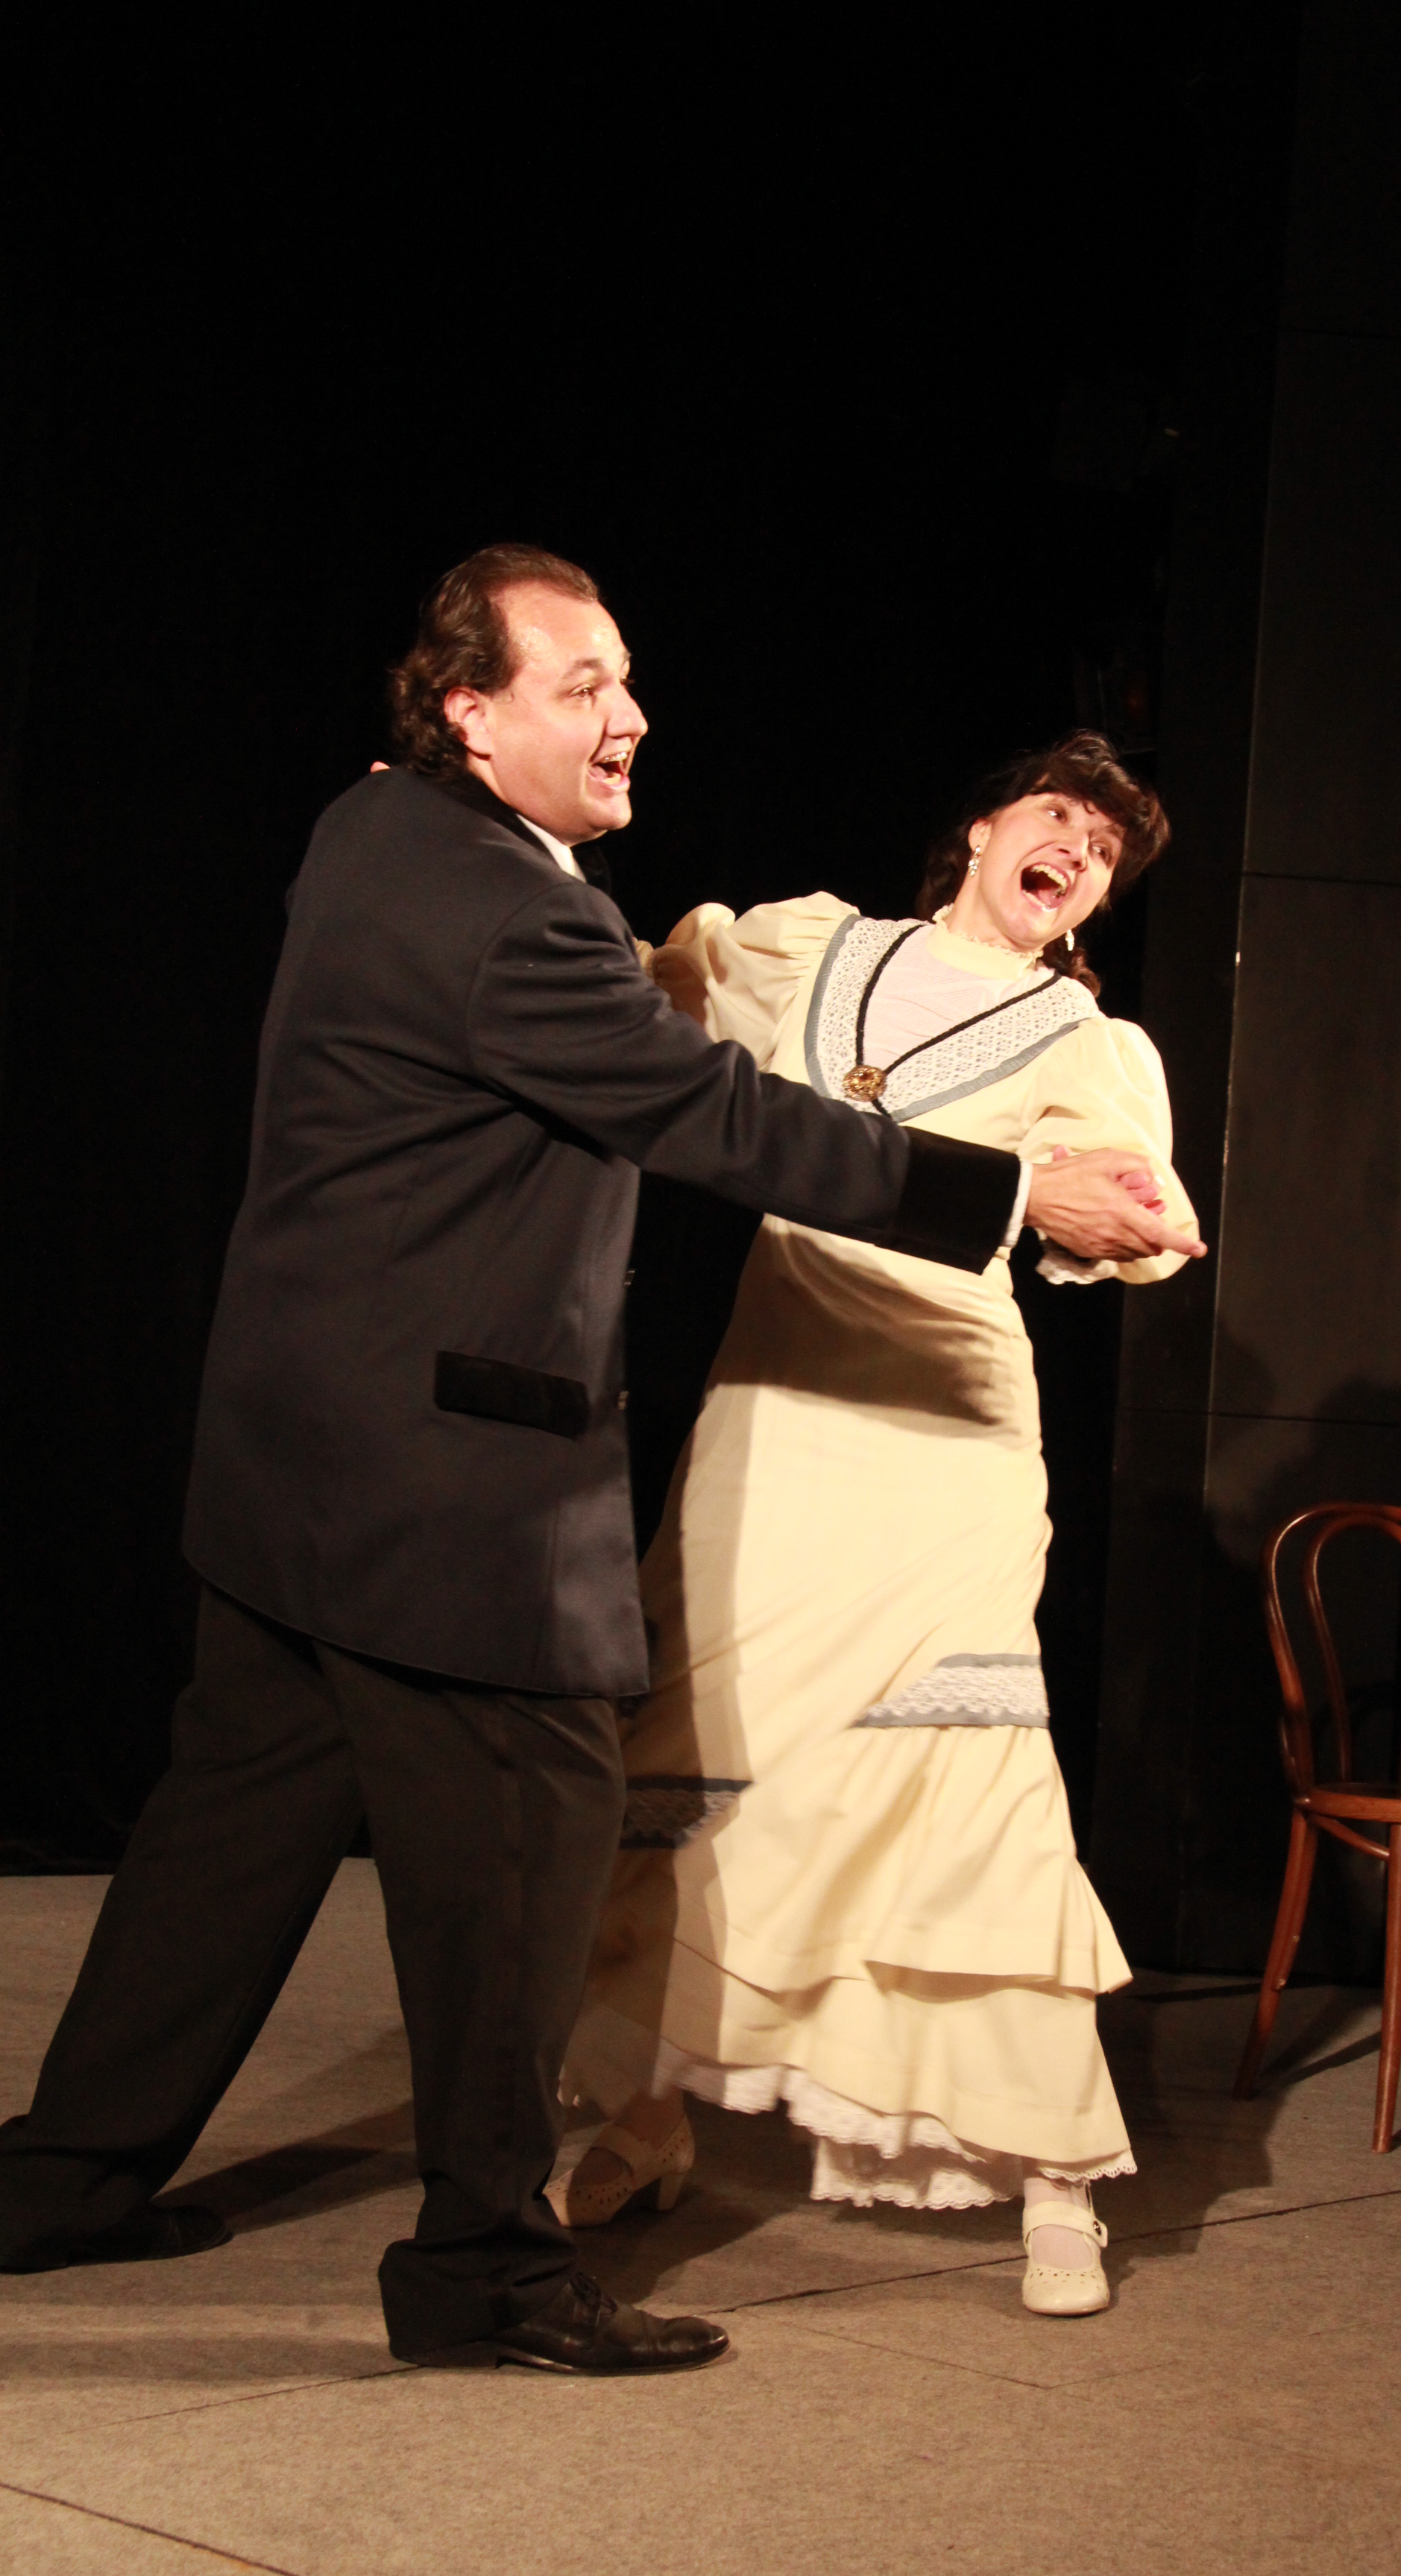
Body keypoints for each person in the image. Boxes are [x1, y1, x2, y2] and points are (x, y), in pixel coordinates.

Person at [0, 551, 1183, 2375]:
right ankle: (486, 2269)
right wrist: (1012, 1192)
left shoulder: (373, 828)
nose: (628, 715)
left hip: (302, 1457)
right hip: (451, 1490)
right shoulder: (529, 917)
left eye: (627, 679)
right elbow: (709, 1109)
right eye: (581, 685)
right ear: (469, 712)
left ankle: (63, 2178)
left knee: (228, 1840)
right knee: (530, 1860)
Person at [555, 731, 1203, 2317]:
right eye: (1059, 817)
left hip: (944, 1424)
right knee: (704, 1752)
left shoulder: (1084, 1036)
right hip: (778, 1402)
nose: (1078, 852)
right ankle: (645, 2116)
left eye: (1105, 853)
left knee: (962, 1767)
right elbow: (637, 998)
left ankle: (1056, 2172)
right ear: (982, 828)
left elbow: (1138, 1215)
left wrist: (1117, 1197)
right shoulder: (810, 950)